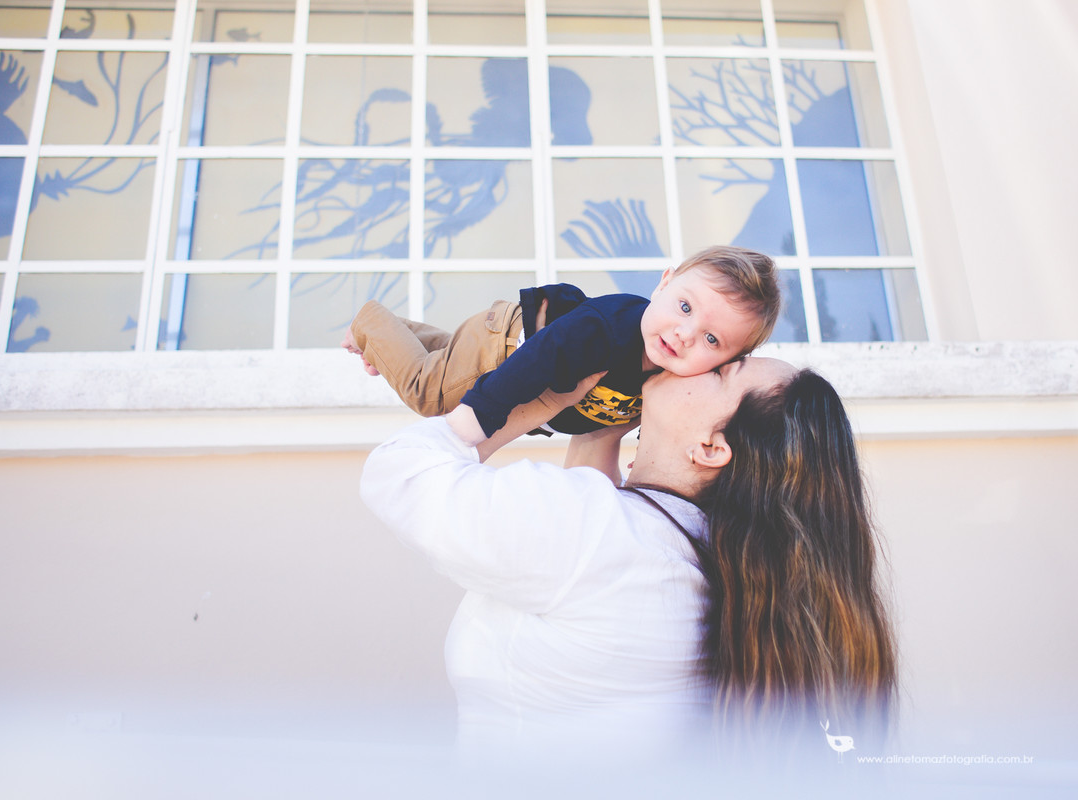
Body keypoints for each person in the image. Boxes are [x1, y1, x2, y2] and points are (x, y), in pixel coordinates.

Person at [359, 357, 896, 763]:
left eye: (720, 368)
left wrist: (524, 397)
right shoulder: (714, 563)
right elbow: (591, 555)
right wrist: (601, 427)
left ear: (711, 447)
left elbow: (399, 474)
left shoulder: (598, 533)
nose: (696, 355)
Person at [342, 245, 780, 441]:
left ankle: (397, 336)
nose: (685, 334)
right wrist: (479, 416)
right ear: (664, 283)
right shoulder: (610, 328)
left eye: (711, 338)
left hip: (505, 353)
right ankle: (371, 324)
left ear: (730, 361)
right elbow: (539, 360)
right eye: (685, 307)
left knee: (448, 363)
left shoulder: (676, 377)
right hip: (512, 348)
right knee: (432, 394)